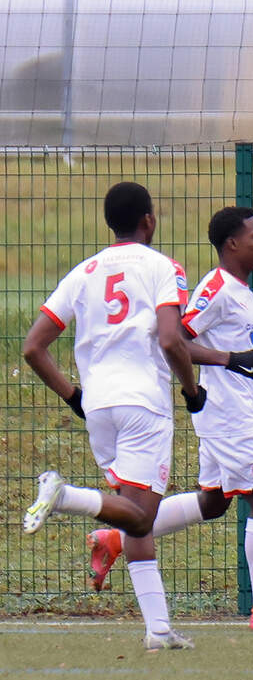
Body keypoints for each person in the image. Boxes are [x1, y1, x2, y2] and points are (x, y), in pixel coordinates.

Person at [87, 206, 253, 631]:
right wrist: (235, 360)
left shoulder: (240, 289)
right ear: (232, 244)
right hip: (228, 415)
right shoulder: (216, 288)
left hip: (233, 410)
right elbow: (175, 342)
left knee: (214, 502)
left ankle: (115, 538)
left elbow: (222, 349)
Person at [22, 181, 207, 650]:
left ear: (110, 224)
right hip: (143, 402)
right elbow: (170, 340)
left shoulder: (83, 272)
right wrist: (191, 389)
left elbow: (33, 347)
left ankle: (158, 629)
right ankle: (65, 496)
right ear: (149, 220)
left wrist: (73, 397)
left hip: (99, 406)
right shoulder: (164, 267)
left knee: (133, 515)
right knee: (142, 517)